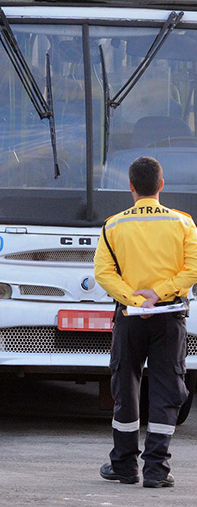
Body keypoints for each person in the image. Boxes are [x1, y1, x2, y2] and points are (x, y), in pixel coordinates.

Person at [94, 156, 197, 488]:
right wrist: (160, 293)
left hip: (129, 317)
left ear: (131, 186)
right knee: (167, 390)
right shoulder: (183, 224)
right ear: (161, 185)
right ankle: (156, 470)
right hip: (170, 318)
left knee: (126, 387)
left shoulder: (113, 225)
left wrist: (136, 300)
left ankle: (124, 466)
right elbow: (192, 270)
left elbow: (103, 273)